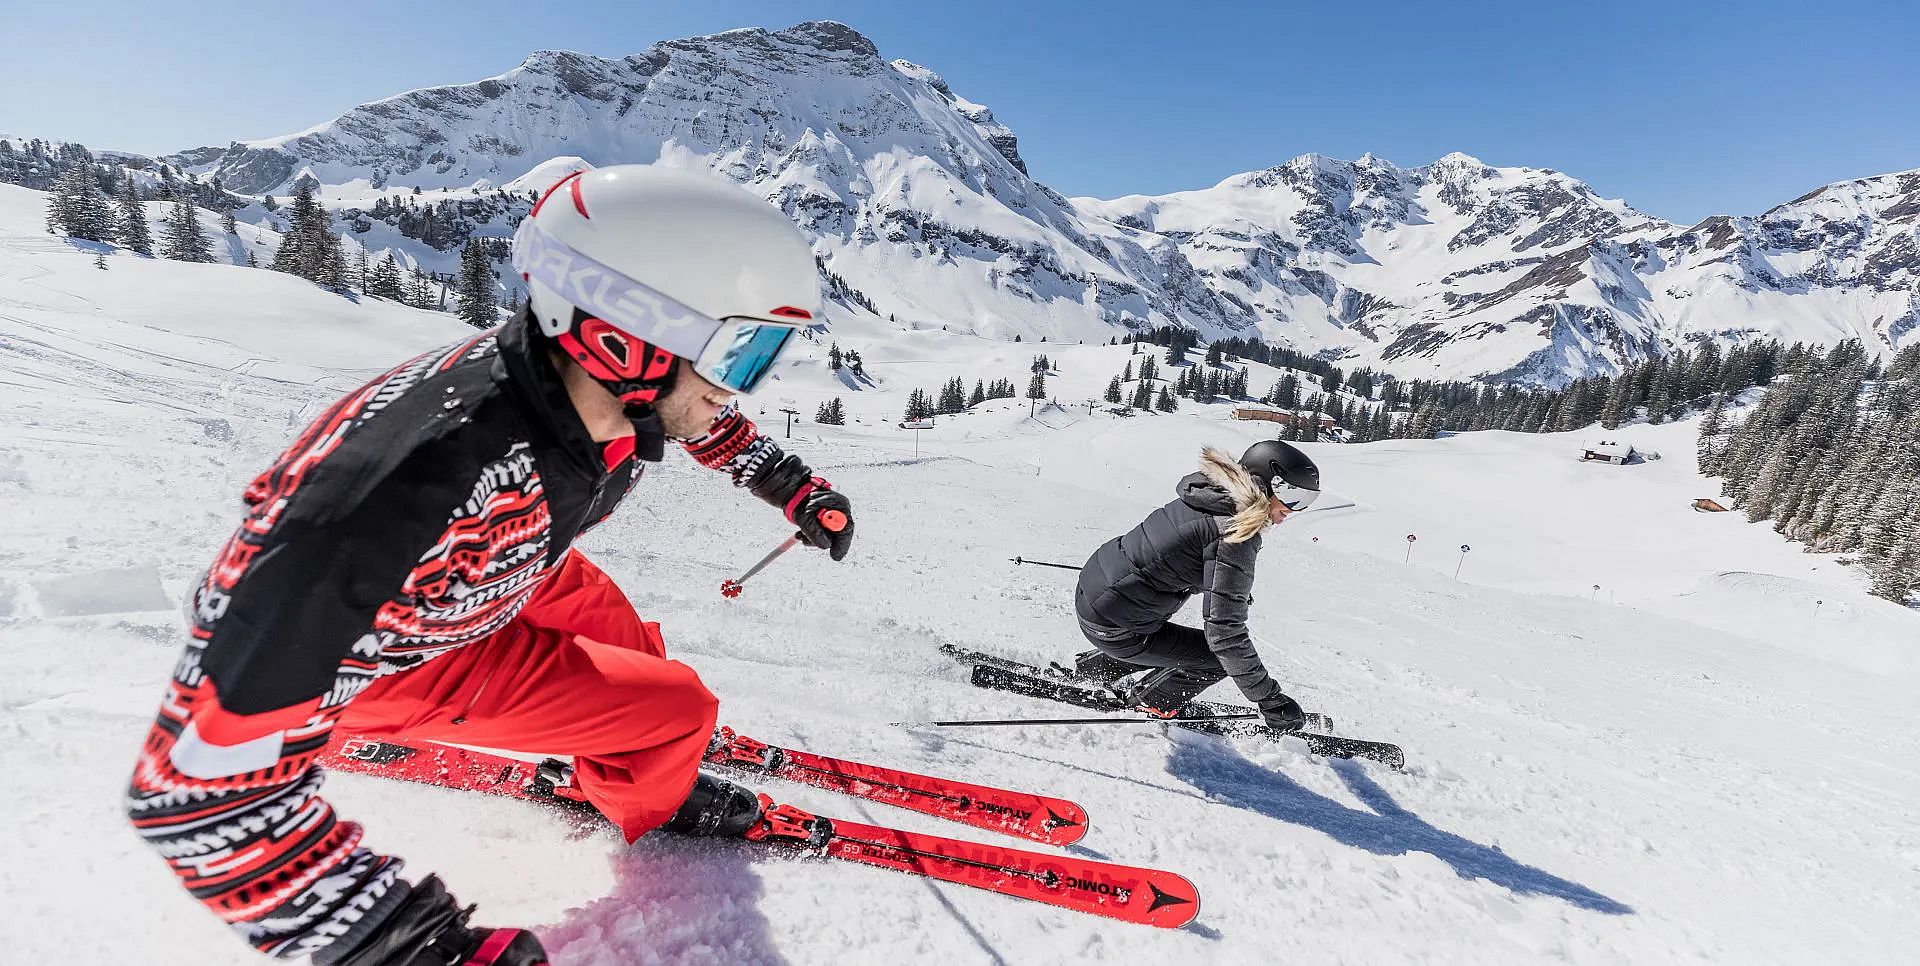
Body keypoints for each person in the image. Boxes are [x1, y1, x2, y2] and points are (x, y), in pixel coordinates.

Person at [125, 166, 855, 966]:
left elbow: (694, 415)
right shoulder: (413, 488)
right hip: (382, 655)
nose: (738, 388)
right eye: (740, 353)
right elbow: (191, 793)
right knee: (677, 709)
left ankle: (620, 753)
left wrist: (790, 486)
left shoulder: (586, 388)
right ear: (627, 335)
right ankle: (649, 778)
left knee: (630, 643)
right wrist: (405, 948)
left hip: (493, 574)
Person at [1070, 441, 1319, 731]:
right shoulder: (1234, 532)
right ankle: (1151, 702)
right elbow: (1225, 634)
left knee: (1171, 641)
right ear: (1265, 483)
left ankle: (1096, 669)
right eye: (1292, 496)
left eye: (1305, 501)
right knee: (1217, 659)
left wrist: (1225, 586)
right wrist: (1269, 700)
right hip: (1115, 624)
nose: (1292, 510)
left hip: (1096, 593)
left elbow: (1181, 552)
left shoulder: (1210, 494)